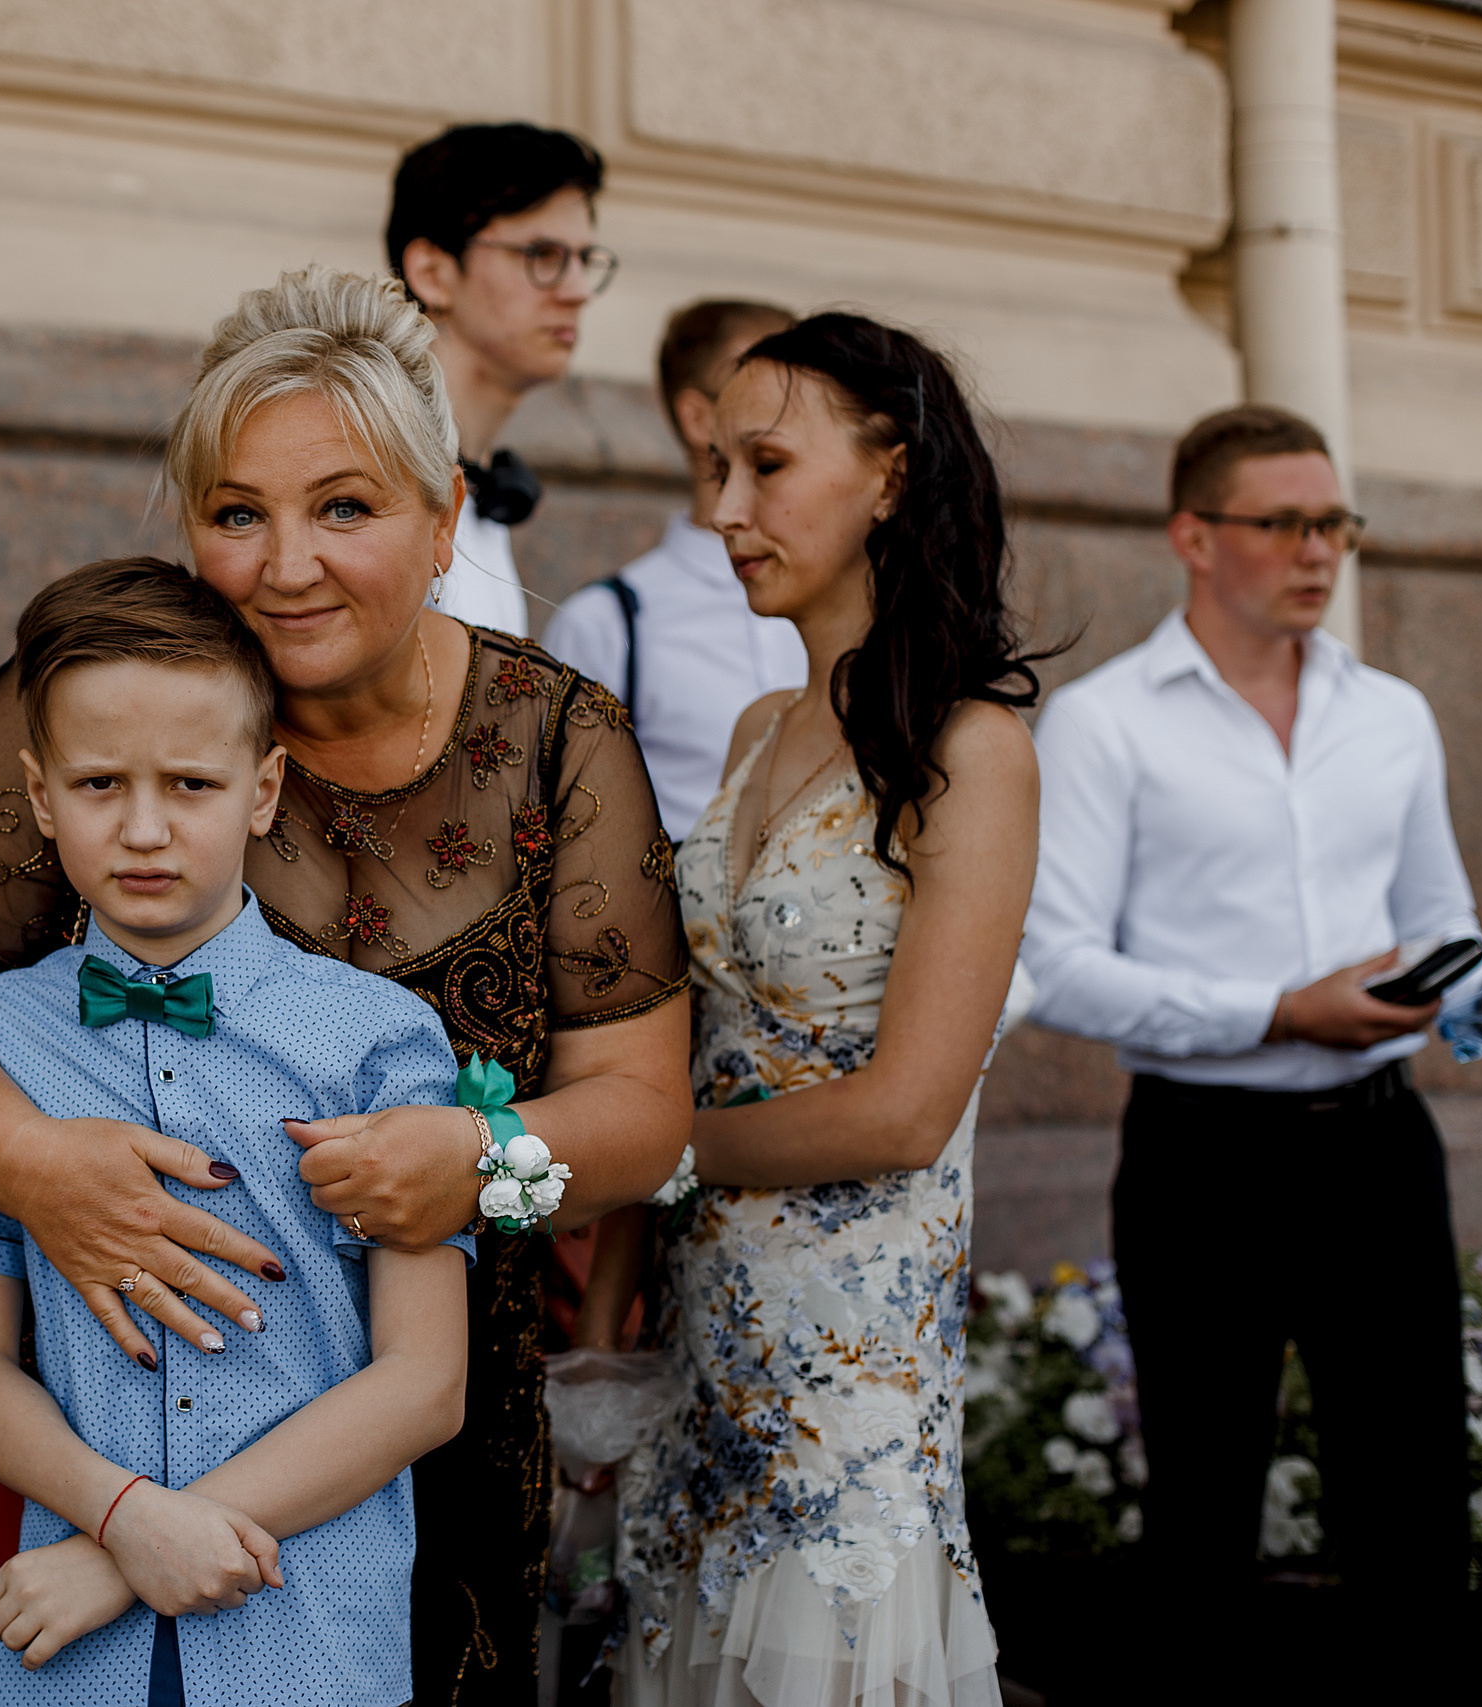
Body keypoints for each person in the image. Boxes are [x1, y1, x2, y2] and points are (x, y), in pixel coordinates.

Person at [0, 264, 695, 1707]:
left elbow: (646, 1119)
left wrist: (481, 1164)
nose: (285, 562)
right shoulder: (108, 694)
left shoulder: (553, 737)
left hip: (409, 1435)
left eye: (343, 506)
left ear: (443, 513)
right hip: (86, 1438)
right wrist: (33, 1166)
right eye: (238, 513)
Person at [0, 557, 475, 1706]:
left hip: (302, 1624)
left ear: (262, 791)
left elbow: (423, 1381)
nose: (145, 829)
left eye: (192, 787)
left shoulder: (374, 1039)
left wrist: (124, 1557)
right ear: (40, 792)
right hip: (65, 1654)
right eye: (101, 784)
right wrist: (119, 1516)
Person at [577, 314, 1044, 1706]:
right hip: (701, 1351)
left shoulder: (974, 750)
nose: (725, 509)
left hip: (853, 1386)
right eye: (718, 467)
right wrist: (608, 1306)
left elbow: (906, 1111)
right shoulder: (755, 730)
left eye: (766, 465)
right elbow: (700, 1037)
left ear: (892, 476)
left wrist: (635, 1146)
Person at [1019, 404, 1481, 1678]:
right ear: (1192, 535)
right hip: (1201, 1156)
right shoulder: (1106, 724)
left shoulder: (1388, 714)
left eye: (1333, 522)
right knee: (1205, 1507)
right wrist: (1279, 1011)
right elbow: (1053, 969)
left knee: (1413, 1501)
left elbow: (1440, 918)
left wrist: (1459, 986)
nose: (1317, 550)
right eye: (1282, 522)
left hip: (1381, 1144)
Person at [542, 301, 808, 842]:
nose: (801, 410)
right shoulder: (608, 624)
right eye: (777, 387)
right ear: (701, 420)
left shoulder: (849, 602)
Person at [388, 122, 615, 637]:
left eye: (583, 259)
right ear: (433, 273)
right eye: (542, 256)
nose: (578, 290)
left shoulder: (484, 491)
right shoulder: (378, 484)